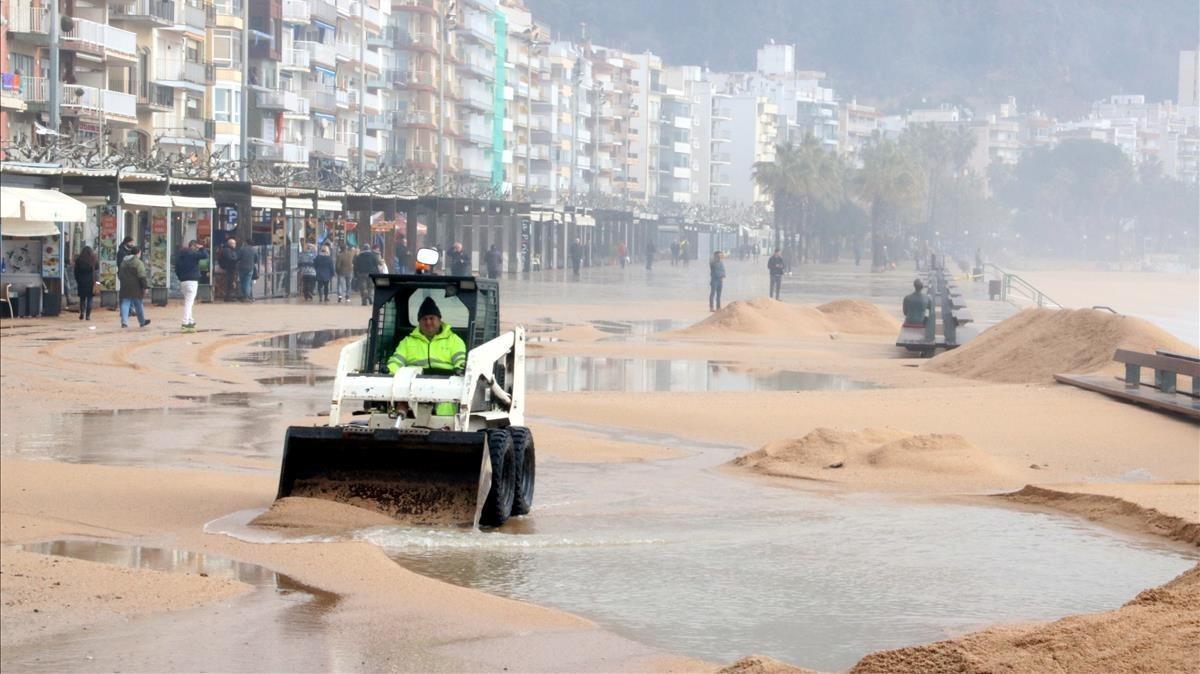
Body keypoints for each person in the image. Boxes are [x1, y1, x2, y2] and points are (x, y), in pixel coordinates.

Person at [387, 297, 467, 416]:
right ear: (419, 322)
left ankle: (445, 426)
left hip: (445, 384)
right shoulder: (408, 341)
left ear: (439, 320)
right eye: (424, 319)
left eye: (431, 318)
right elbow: (396, 361)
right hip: (413, 386)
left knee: (448, 402)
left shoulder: (454, 340)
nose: (428, 322)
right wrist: (390, 371)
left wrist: (460, 369)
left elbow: (461, 360)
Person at [174, 240, 207, 331]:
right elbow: (205, 255)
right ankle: (185, 322)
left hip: (183, 281)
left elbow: (176, 269)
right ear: (193, 246)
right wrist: (202, 248)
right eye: (196, 248)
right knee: (189, 303)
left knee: (188, 301)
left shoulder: (180, 257)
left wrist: (180, 277)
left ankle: (190, 321)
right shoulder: (192, 254)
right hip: (192, 281)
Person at [117, 246, 151, 328]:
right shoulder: (138, 263)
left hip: (125, 285)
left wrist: (123, 281)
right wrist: (145, 287)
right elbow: (142, 275)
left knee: (125, 302)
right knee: (138, 304)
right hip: (136, 287)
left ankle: (124, 322)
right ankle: (142, 321)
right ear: (138, 253)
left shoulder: (123, 262)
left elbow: (119, 274)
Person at [73, 246, 98, 321]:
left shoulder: (79, 260)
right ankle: (88, 315)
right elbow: (97, 269)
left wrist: (78, 280)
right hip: (91, 281)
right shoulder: (93, 260)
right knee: (90, 299)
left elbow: (76, 272)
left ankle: (82, 313)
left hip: (81, 281)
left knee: (82, 298)